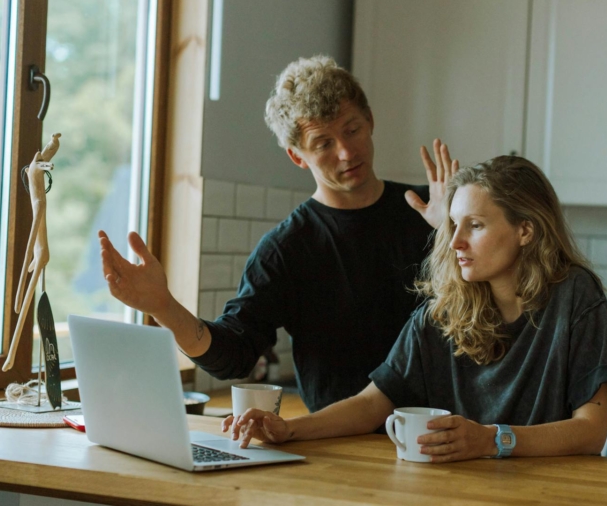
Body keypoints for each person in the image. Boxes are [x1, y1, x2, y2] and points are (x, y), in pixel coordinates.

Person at [98, 55, 459, 412]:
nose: (347, 152)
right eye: (323, 144)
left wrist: (452, 229)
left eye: (352, 129)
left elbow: (495, 310)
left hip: (449, 432)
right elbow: (234, 357)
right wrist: (164, 307)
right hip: (342, 445)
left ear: (370, 121)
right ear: (297, 157)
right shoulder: (287, 249)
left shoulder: (432, 211)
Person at [224, 155, 607, 462]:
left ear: (525, 230)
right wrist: (288, 430)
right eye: (453, 225)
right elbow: (372, 403)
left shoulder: (575, 295)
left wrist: (491, 439)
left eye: (475, 225)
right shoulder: (444, 309)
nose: (454, 243)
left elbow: (590, 432)